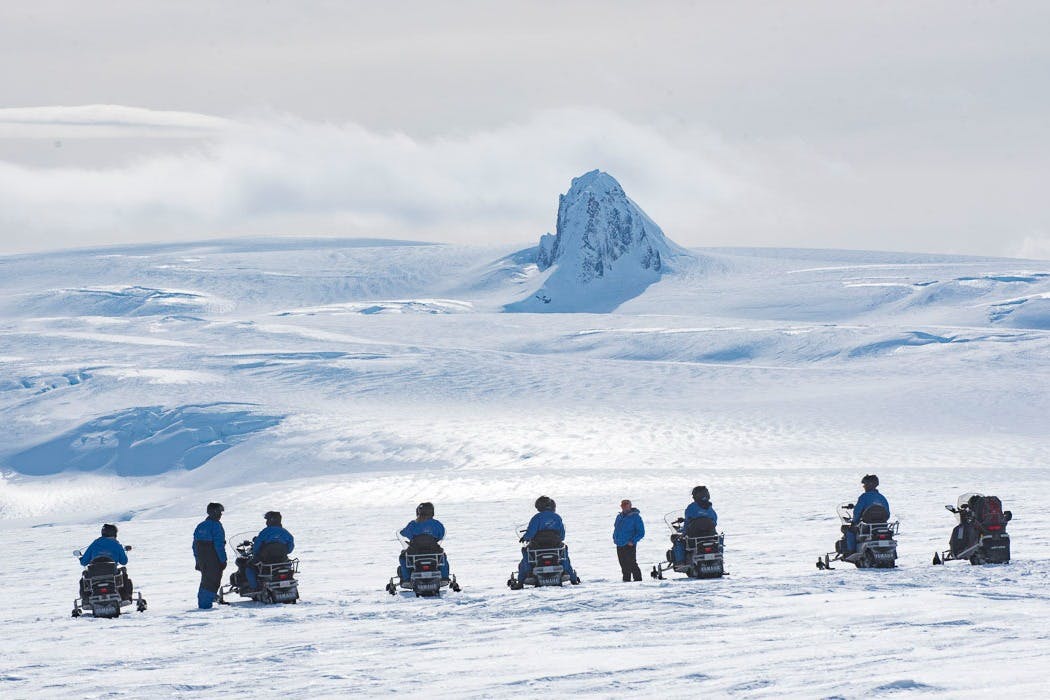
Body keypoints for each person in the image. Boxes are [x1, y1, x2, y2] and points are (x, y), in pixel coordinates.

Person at [518, 496, 579, 584]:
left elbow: (531, 532)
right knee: (564, 552)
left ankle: (526, 576)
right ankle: (570, 575)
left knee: (525, 551)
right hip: (555, 545)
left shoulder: (537, 517)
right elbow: (562, 535)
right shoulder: (557, 517)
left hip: (538, 546)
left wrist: (525, 538)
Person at [79, 523, 133, 600]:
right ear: (114, 533)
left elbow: (83, 562)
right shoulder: (117, 545)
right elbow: (124, 562)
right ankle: (125, 596)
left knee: (84, 578)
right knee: (124, 574)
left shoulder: (95, 544)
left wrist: (81, 558)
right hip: (112, 573)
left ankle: (86, 599)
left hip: (94, 574)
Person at [244, 511, 295, 591]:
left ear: (270, 521)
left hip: (266, 561)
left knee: (249, 567)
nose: (266, 522)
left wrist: (255, 554)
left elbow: (256, 547)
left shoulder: (265, 532)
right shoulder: (286, 533)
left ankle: (254, 588)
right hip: (282, 560)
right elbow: (290, 548)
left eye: (267, 520)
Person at [398, 502, 449, 581]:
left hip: (415, 552)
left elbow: (405, 533)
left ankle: (407, 579)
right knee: (442, 557)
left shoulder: (413, 524)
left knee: (402, 558)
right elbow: (441, 535)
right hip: (433, 551)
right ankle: (444, 577)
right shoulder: (437, 524)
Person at [192, 502, 227, 609]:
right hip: (213, 558)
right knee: (213, 580)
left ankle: (204, 602)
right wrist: (223, 560)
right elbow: (219, 545)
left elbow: (195, 545)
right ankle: (205, 604)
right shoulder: (216, 526)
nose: (221, 515)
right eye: (219, 512)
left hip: (203, 559)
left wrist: (198, 561)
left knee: (206, 580)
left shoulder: (200, 526)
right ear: (213, 512)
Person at [845, 474, 890, 553]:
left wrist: (854, 522)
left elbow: (857, 512)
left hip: (867, 527)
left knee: (850, 532)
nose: (864, 487)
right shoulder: (882, 497)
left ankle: (851, 552)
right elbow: (888, 514)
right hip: (882, 525)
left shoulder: (864, 497)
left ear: (870, 485)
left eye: (865, 484)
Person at [673, 486, 718, 563]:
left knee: (677, 540)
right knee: (719, 540)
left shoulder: (691, 508)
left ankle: (681, 562)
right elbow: (714, 522)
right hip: (710, 537)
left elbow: (687, 523)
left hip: (694, 540)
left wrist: (683, 534)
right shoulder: (710, 509)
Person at [613, 499, 645, 582]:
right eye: (623, 505)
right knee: (623, 565)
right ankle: (626, 581)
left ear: (630, 506)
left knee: (632, 563)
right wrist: (615, 538)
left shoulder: (636, 517)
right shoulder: (619, 516)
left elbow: (641, 532)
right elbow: (616, 528)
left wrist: (632, 541)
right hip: (619, 543)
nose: (624, 506)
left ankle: (638, 581)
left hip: (629, 544)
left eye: (626, 505)